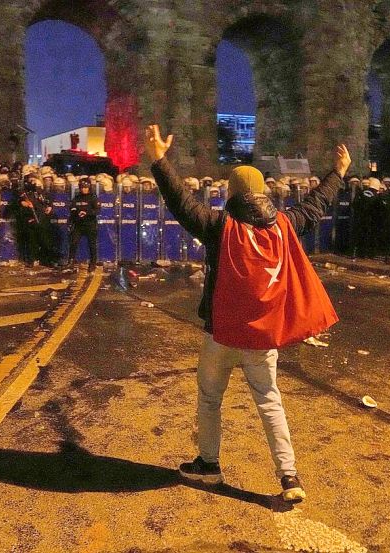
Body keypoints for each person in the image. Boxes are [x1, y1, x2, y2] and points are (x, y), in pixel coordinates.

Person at [146, 124, 346, 502]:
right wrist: (339, 172)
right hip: (263, 337)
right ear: (263, 193)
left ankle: (208, 465)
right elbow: (318, 204)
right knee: (270, 400)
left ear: (232, 193)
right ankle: (289, 477)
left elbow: (181, 202)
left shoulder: (220, 226)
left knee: (209, 398)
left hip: (221, 333)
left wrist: (159, 160)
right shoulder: (286, 224)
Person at [67, 177, 99, 272]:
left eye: (86, 187)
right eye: (82, 187)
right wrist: (76, 213)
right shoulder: (76, 198)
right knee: (74, 242)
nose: (84, 189)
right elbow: (72, 208)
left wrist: (86, 212)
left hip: (90, 224)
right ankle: (71, 261)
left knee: (92, 244)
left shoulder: (93, 197)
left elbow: (97, 210)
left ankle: (93, 263)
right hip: (78, 224)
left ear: (89, 188)